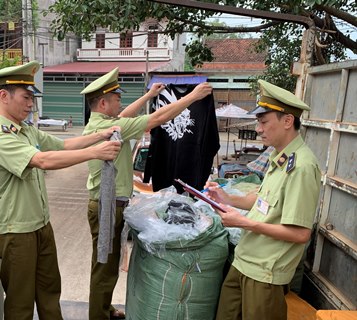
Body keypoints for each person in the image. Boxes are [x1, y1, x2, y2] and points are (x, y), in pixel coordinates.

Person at [81, 67, 212, 320]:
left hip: (110, 204)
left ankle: (104, 307)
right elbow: (155, 119)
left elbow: (126, 115)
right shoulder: (109, 129)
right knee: (103, 267)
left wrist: (149, 95)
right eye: (117, 99)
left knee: (108, 263)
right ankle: (97, 315)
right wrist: (192, 97)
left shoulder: (104, 123)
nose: (121, 103)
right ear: (104, 103)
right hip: (106, 205)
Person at [0, 61, 122, 320]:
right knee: (20, 301)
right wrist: (95, 153)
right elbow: (43, 160)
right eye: (25, 97)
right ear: (3, 96)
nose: (30, 104)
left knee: (49, 290)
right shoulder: (2, 135)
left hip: (41, 225)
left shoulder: (27, 129)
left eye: (32, 98)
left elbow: (62, 145)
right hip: (16, 230)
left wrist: (101, 135)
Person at [205, 79, 321, 320]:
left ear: (288, 121)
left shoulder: (301, 166)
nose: (258, 129)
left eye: (263, 121)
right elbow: (263, 200)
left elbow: (300, 234)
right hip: (244, 260)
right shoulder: (279, 157)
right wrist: (228, 198)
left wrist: (244, 223)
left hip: (265, 273)